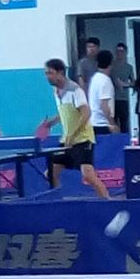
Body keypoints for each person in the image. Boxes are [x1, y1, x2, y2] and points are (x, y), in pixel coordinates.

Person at [43, 58, 110, 199]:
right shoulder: (56, 91)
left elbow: (86, 113)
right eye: (46, 73)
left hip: (82, 140)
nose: (47, 76)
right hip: (67, 141)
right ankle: (60, 202)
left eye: (50, 73)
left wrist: (72, 134)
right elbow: (65, 112)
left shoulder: (75, 90)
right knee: (50, 174)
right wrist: (52, 122)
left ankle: (109, 202)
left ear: (60, 72)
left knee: (88, 176)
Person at [88, 50, 118, 136]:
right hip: (103, 124)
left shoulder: (94, 78)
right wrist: (112, 123)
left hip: (93, 122)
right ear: (111, 63)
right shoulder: (105, 80)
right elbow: (104, 105)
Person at [111, 42, 134, 133]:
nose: (119, 53)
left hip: (123, 98)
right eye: (118, 51)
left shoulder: (129, 67)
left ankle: (125, 139)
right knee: (113, 122)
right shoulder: (111, 66)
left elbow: (133, 82)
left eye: (122, 51)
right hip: (112, 99)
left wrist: (124, 84)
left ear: (125, 52)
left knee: (124, 122)